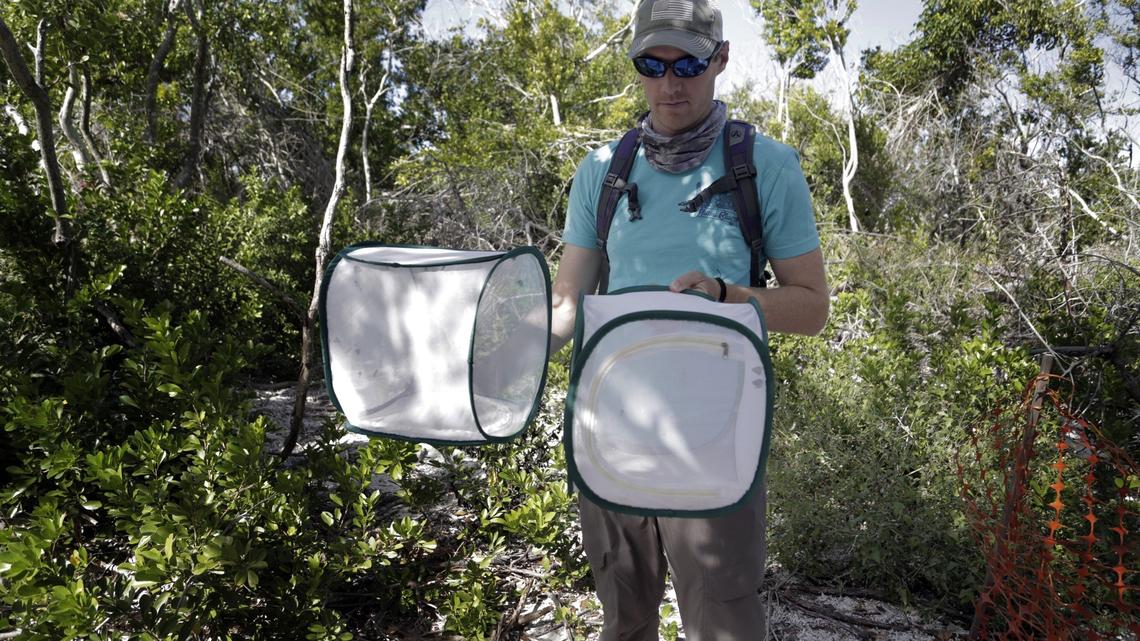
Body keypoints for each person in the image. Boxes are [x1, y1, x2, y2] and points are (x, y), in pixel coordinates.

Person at [546, 0, 830, 639]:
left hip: (715, 432)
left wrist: (729, 295)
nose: (670, 84)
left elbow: (812, 307)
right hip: (610, 426)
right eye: (652, 64)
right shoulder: (601, 172)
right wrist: (497, 348)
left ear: (721, 60)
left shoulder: (766, 166)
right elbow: (566, 307)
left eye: (689, 65)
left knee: (721, 618)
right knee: (623, 616)